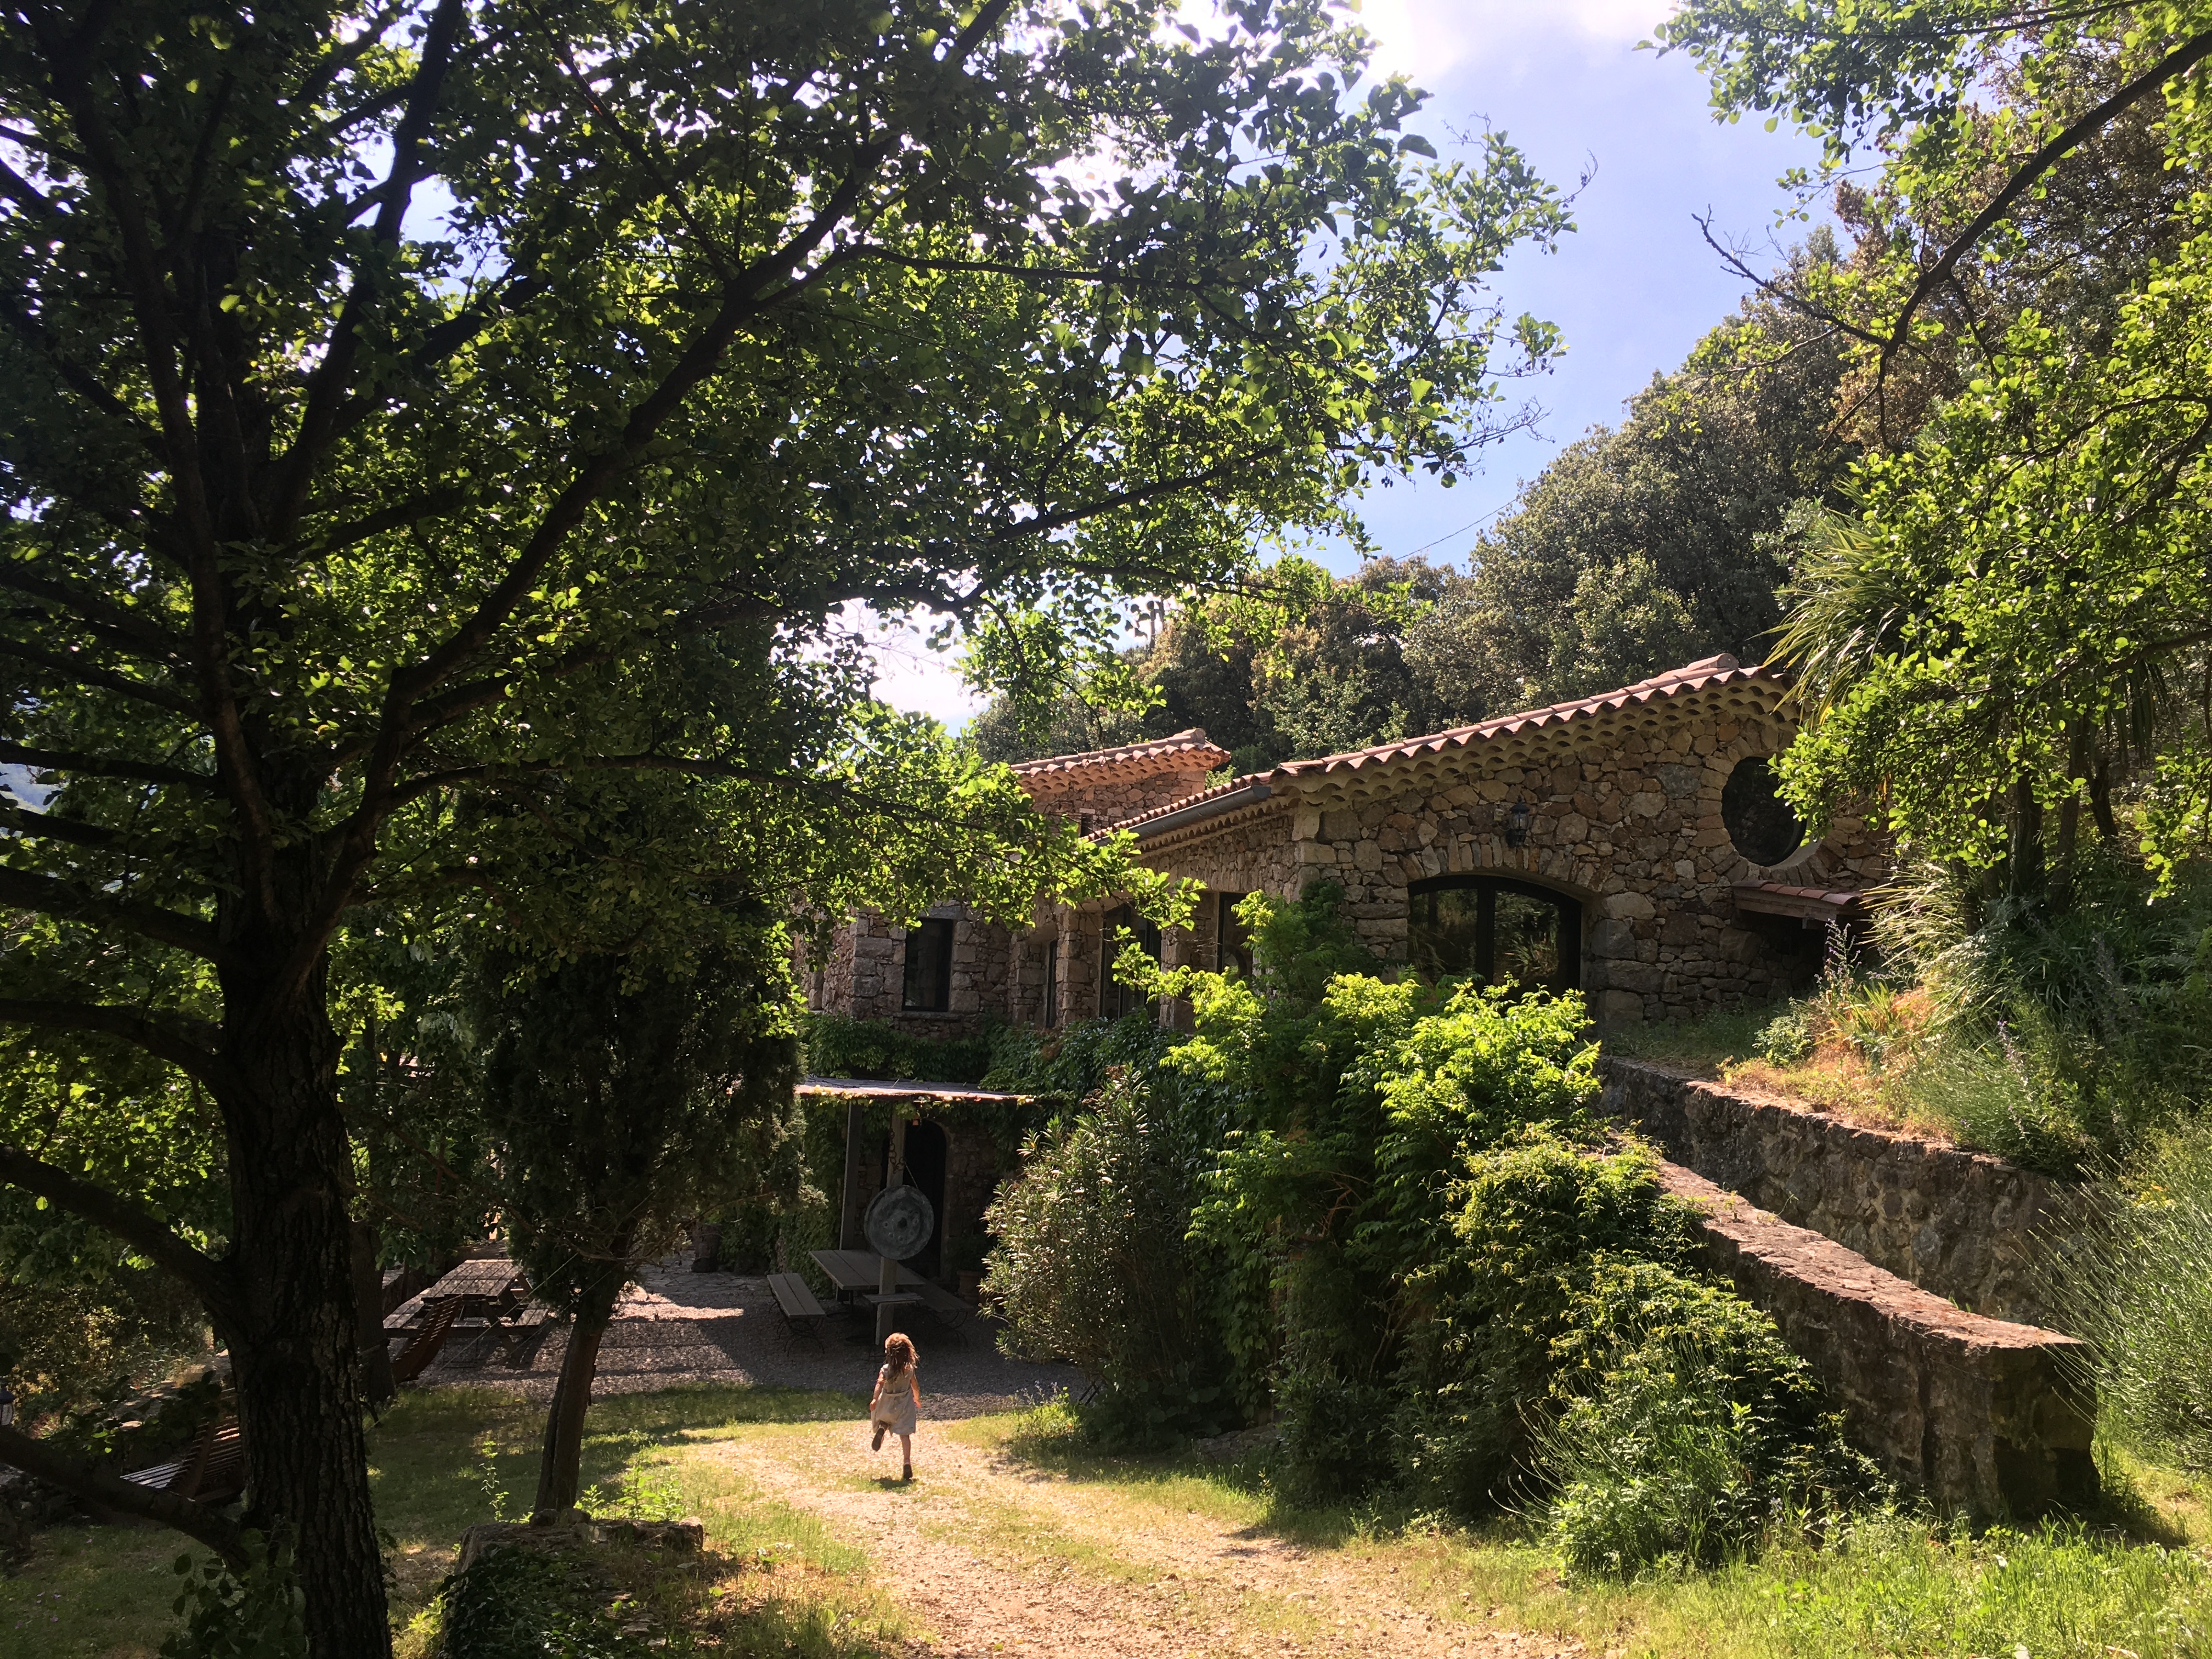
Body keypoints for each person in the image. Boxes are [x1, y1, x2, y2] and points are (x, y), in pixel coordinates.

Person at [868, 1331, 921, 1481]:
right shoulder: (909, 1370)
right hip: (904, 1406)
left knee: (884, 1420)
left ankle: (882, 1428)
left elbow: (879, 1385)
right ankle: (907, 1462)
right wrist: (917, 1399)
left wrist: (874, 1399)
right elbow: (915, 1386)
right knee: (905, 1435)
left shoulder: (886, 1370)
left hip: (887, 1403)